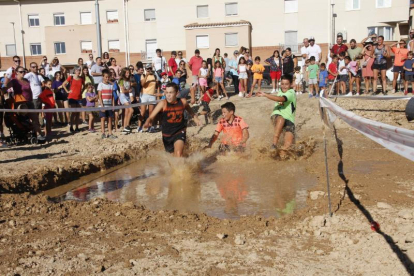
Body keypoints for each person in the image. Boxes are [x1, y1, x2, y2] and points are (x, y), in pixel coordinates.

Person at [143, 83, 201, 157]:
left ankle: (183, 168)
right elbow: (151, 117)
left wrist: (195, 118)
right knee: (172, 157)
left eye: (171, 92)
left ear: (177, 93)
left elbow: (189, 110)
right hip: (167, 134)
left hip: (180, 131)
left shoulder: (183, 101)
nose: (168, 95)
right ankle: (184, 161)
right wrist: (147, 122)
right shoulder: (163, 103)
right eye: (166, 92)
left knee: (178, 153)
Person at [257, 75, 296, 154]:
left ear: (291, 84)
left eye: (286, 84)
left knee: (287, 148)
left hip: (289, 120)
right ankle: (274, 145)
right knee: (281, 119)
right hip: (277, 115)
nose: (284, 86)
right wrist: (265, 95)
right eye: (282, 84)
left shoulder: (291, 92)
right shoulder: (280, 90)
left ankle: (280, 156)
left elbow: (281, 99)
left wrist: (265, 95)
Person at [6, 66, 45, 140]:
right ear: (16, 72)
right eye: (21, 72)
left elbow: (30, 91)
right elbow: (6, 87)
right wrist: (7, 78)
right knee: (23, 120)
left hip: (29, 102)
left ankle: (39, 135)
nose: (23, 73)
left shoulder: (26, 80)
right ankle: (27, 134)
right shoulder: (14, 81)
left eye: (24, 71)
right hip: (20, 103)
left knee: (35, 119)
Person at [138, 64, 160, 133]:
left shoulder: (154, 75)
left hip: (152, 95)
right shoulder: (143, 75)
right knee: (143, 112)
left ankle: (150, 126)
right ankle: (139, 126)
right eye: (148, 69)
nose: (149, 70)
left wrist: (158, 94)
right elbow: (142, 84)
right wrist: (146, 75)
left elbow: (158, 85)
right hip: (144, 94)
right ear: (145, 69)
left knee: (151, 112)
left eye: (150, 68)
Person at [63, 66, 84, 133]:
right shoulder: (71, 78)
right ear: (74, 71)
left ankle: (77, 127)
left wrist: (82, 91)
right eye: (77, 70)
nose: (79, 72)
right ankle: (71, 126)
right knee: (73, 113)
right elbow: (63, 84)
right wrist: (67, 91)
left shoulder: (81, 79)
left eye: (79, 70)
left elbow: (84, 86)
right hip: (72, 97)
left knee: (78, 113)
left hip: (79, 97)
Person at [98, 71, 117, 139]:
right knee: (103, 118)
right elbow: (99, 96)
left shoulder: (110, 85)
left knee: (109, 119)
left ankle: (110, 133)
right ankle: (103, 132)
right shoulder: (100, 85)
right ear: (103, 77)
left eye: (108, 77)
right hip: (103, 105)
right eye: (106, 77)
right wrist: (102, 105)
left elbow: (112, 96)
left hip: (109, 104)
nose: (107, 78)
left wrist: (113, 105)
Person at [118, 67, 134, 133]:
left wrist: (129, 92)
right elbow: (123, 91)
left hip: (127, 96)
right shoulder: (121, 80)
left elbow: (129, 90)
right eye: (126, 73)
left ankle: (125, 128)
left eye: (128, 73)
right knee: (131, 110)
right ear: (124, 73)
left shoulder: (129, 80)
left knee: (127, 113)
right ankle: (127, 125)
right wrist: (129, 90)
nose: (128, 74)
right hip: (123, 96)